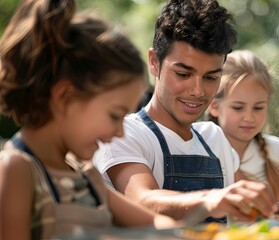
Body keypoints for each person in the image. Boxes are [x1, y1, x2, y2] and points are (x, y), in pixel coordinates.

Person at [93, 0, 279, 226]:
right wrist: (211, 199)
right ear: (154, 62)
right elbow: (143, 199)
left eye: (211, 77)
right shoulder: (123, 134)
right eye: (183, 74)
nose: (197, 91)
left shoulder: (215, 139)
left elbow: (248, 203)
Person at [0, 0, 188, 239]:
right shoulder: (17, 170)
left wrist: (207, 209)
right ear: (65, 96)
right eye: (114, 115)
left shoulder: (87, 175)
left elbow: (158, 224)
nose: (121, 132)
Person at [207, 50, 279, 202]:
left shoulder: (276, 149)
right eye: (238, 107)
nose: (249, 117)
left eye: (258, 108)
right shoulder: (201, 149)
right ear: (214, 106)